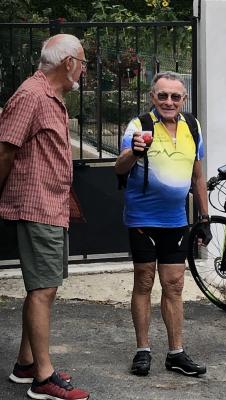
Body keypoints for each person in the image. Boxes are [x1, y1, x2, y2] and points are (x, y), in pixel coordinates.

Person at [0, 34, 89, 400]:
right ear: (68, 62)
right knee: (43, 290)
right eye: (82, 62)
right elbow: (5, 150)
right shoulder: (32, 95)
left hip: (51, 205)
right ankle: (44, 378)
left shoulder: (50, 96)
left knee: (42, 287)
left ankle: (26, 364)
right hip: (36, 206)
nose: (83, 70)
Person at [115, 71, 212, 377]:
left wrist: (204, 217)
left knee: (174, 285)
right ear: (152, 97)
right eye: (163, 95)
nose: (169, 102)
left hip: (176, 221)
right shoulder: (139, 126)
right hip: (143, 218)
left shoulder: (192, 127)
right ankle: (143, 350)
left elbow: (198, 176)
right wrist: (134, 152)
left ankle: (176, 353)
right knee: (144, 281)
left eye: (175, 96)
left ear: (183, 99)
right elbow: (119, 168)